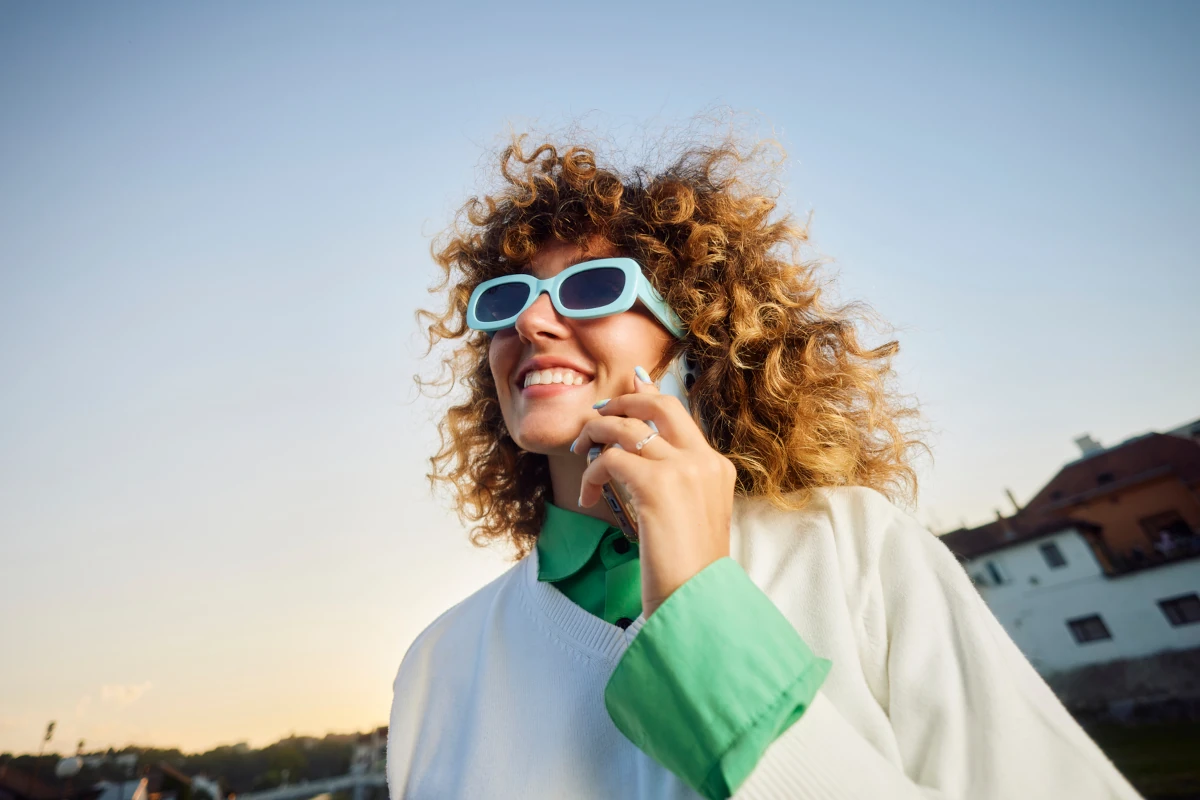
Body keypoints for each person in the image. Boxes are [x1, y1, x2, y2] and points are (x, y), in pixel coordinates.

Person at [387, 130, 1143, 799]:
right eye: (505, 297)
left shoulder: (854, 549)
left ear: (695, 337)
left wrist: (699, 610)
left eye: (591, 287)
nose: (531, 319)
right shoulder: (436, 668)